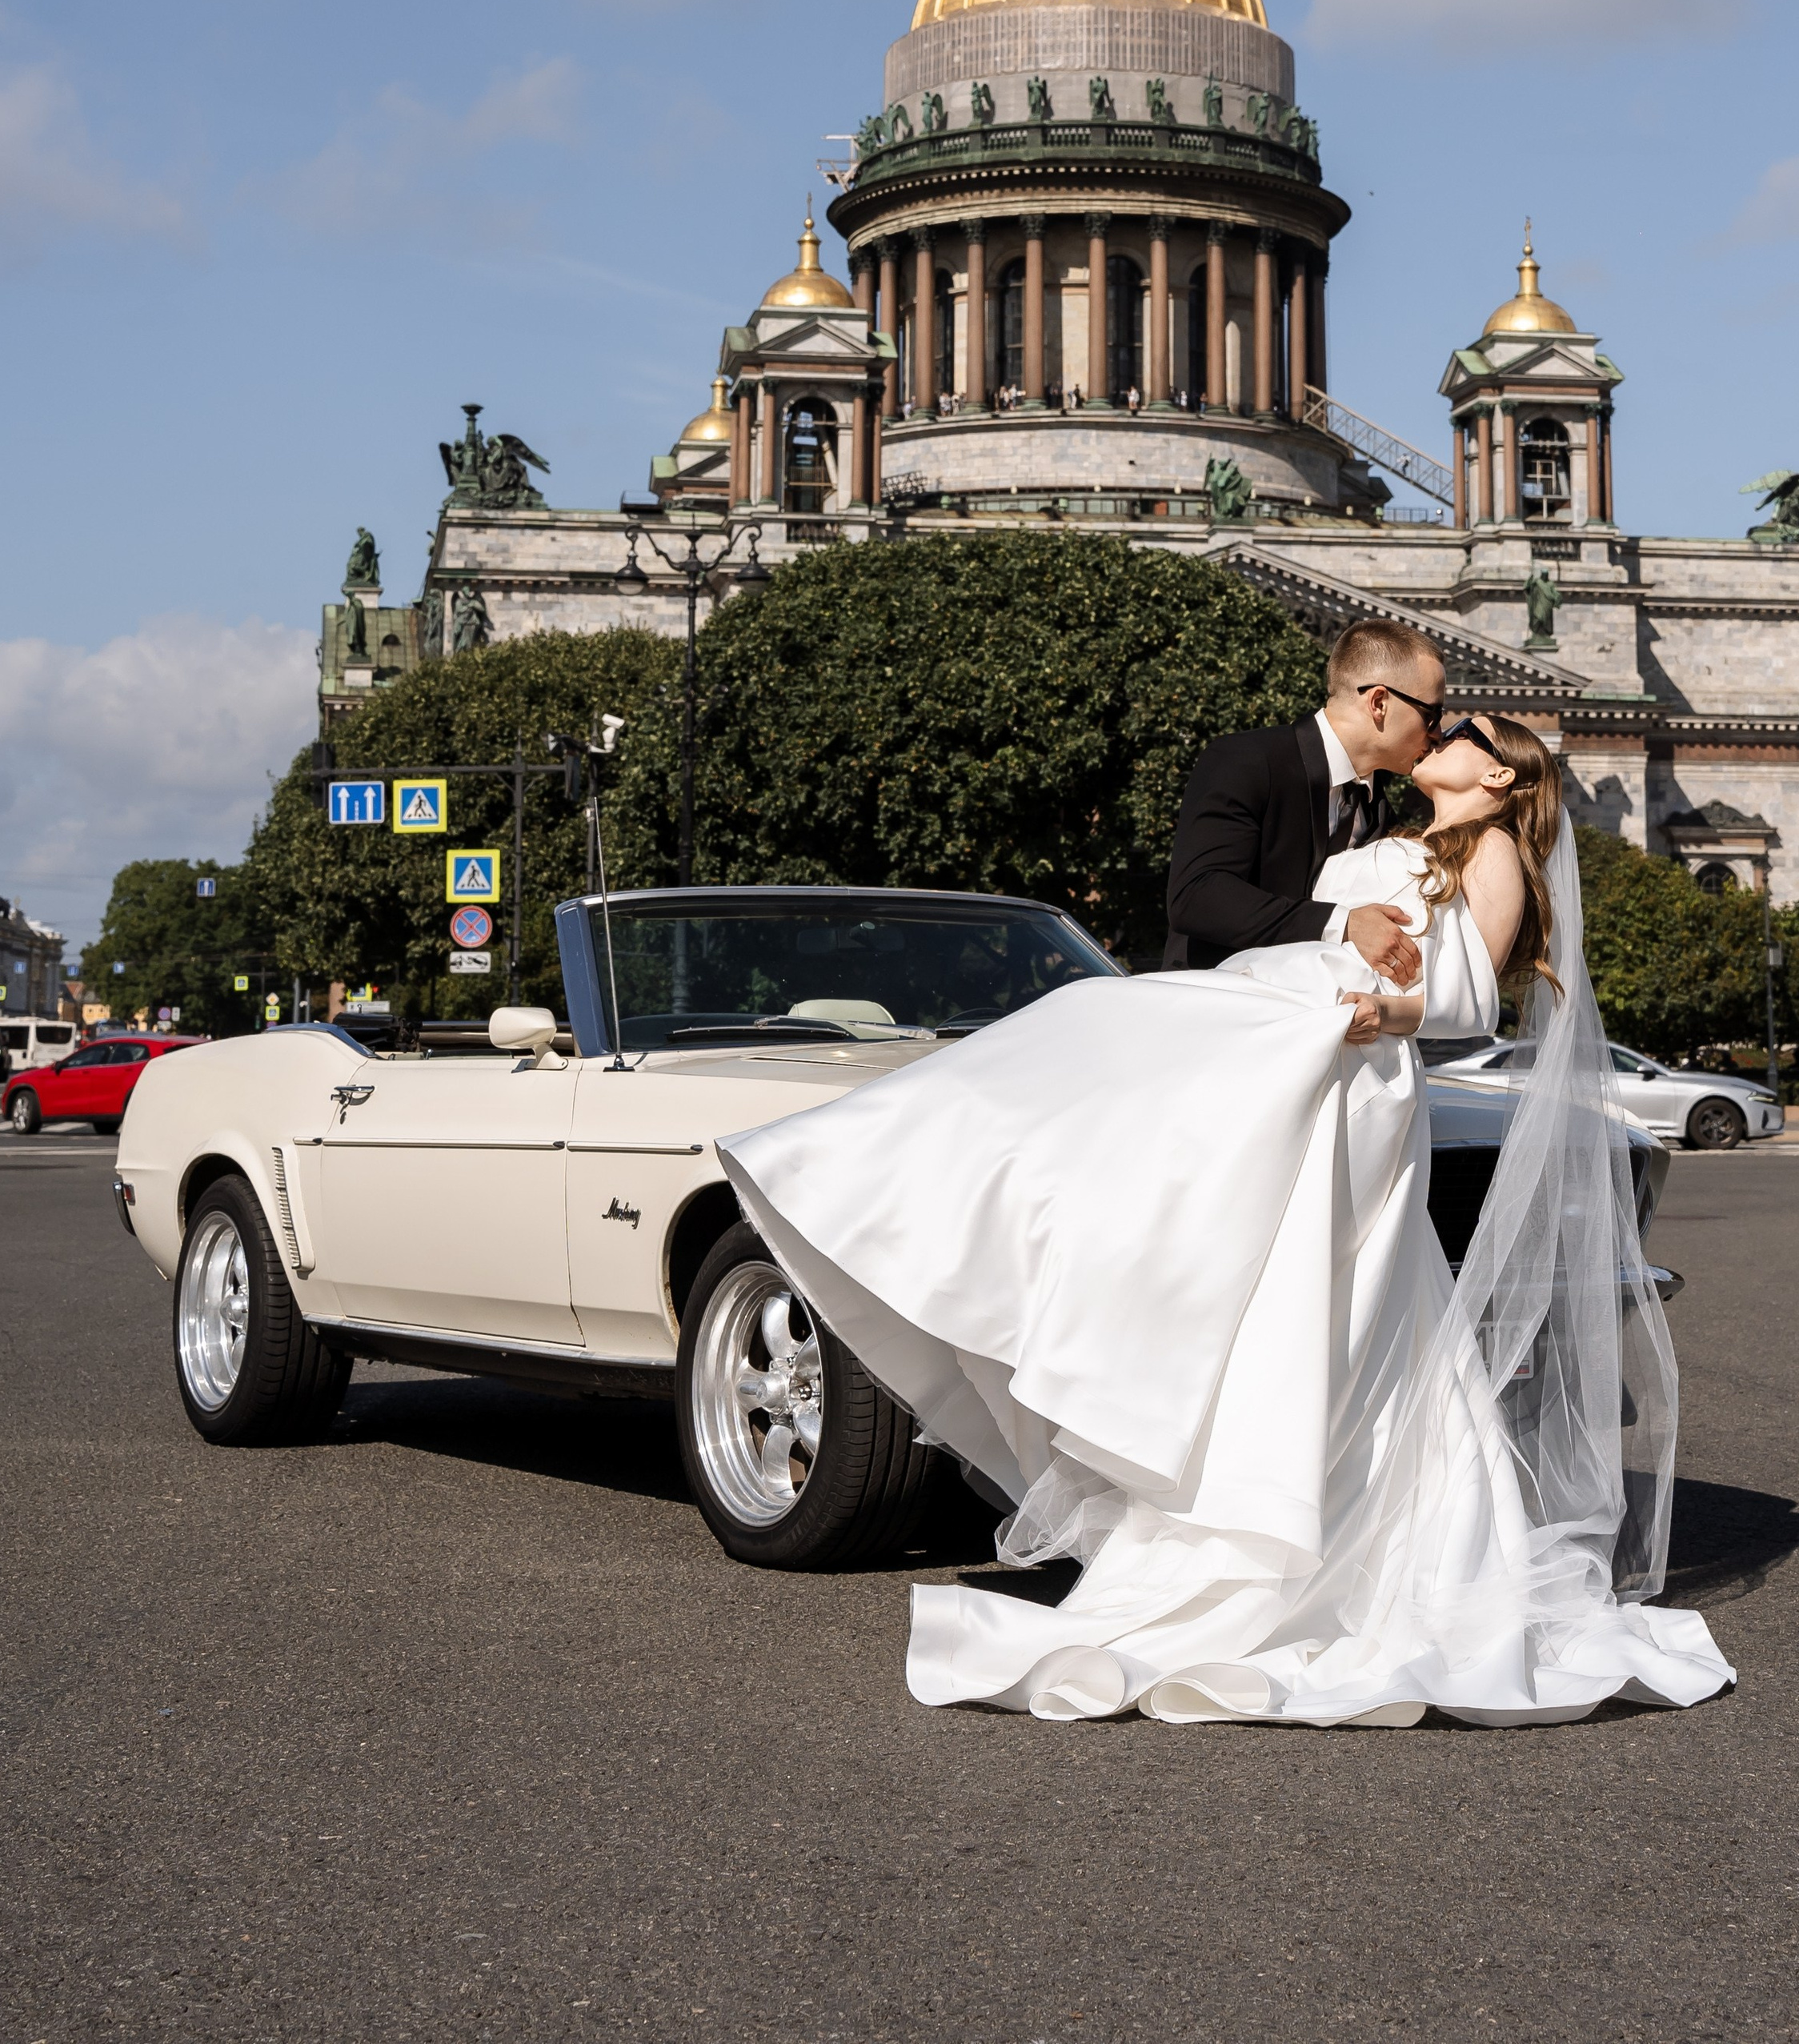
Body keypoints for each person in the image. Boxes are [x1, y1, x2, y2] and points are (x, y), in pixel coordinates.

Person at [721, 710, 1733, 1727]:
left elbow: (1469, 997)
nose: (1446, 730)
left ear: (1504, 779)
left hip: (1346, 1074)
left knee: (1329, 1299)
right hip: (1282, 1040)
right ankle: (911, 1202)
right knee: (1137, 1118)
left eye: (1467, 729)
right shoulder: (1387, 843)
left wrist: (1387, 1016)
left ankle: (1318, 1551)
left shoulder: (1497, 853)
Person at [1163, 619, 1446, 984]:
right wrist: (1343, 923)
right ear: (1379, 702)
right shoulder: (1247, 760)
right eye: (1431, 715)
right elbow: (1196, 897)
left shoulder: (1378, 807)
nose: (1438, 734)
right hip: (1212, 1005)